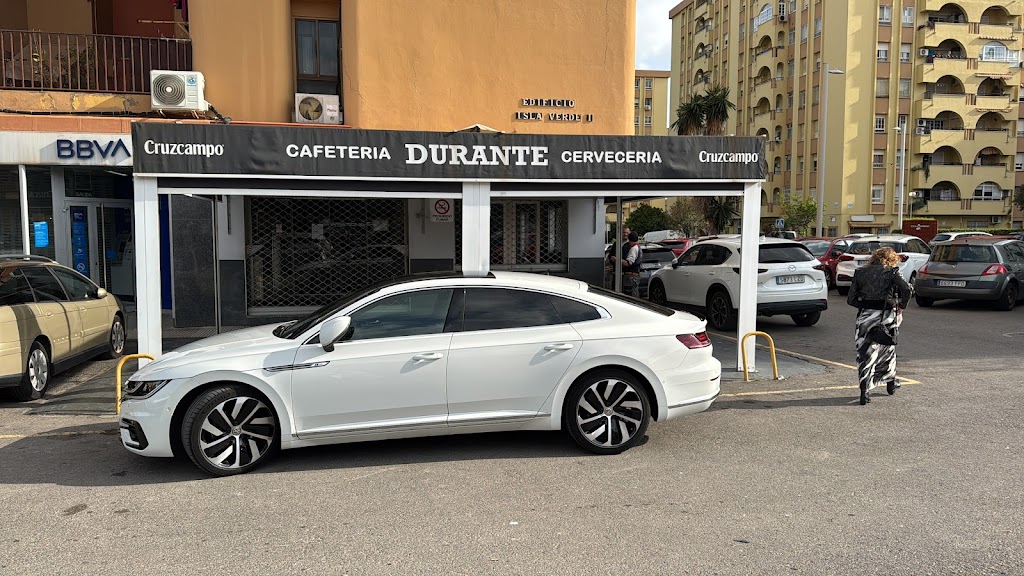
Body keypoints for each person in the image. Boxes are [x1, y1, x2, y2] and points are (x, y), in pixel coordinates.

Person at [846, 247, 913, 405]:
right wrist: (900, 305)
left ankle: (864, 391)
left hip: (865, 317)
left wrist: (865, 305)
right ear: (892, 259)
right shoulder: (892, 272)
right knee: (887, 349)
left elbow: (851, 299)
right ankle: (890, 383)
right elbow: (907, 289)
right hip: (886, 316)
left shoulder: (860, 273)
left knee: (865, 353)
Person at [611, 231, 643, 297]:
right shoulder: (638, 247)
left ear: (630, 240)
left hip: (630, 277)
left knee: (630, 296)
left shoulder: (633, 249)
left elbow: (628, 263)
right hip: (634, 276)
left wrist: (616, 259)